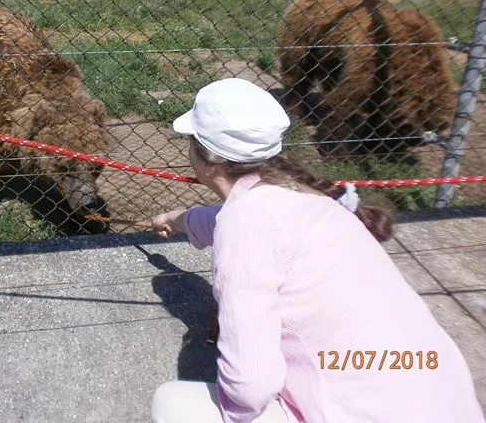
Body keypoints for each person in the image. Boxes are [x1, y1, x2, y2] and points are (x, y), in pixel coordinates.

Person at [149, 77, 485, 423]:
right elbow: (241, 220)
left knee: (170, 402)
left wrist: (237, 413)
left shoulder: (245, 227)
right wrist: (179, 220)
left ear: (208, 160)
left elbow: (250, 388)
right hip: (444, 398)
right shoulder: (313, 200)